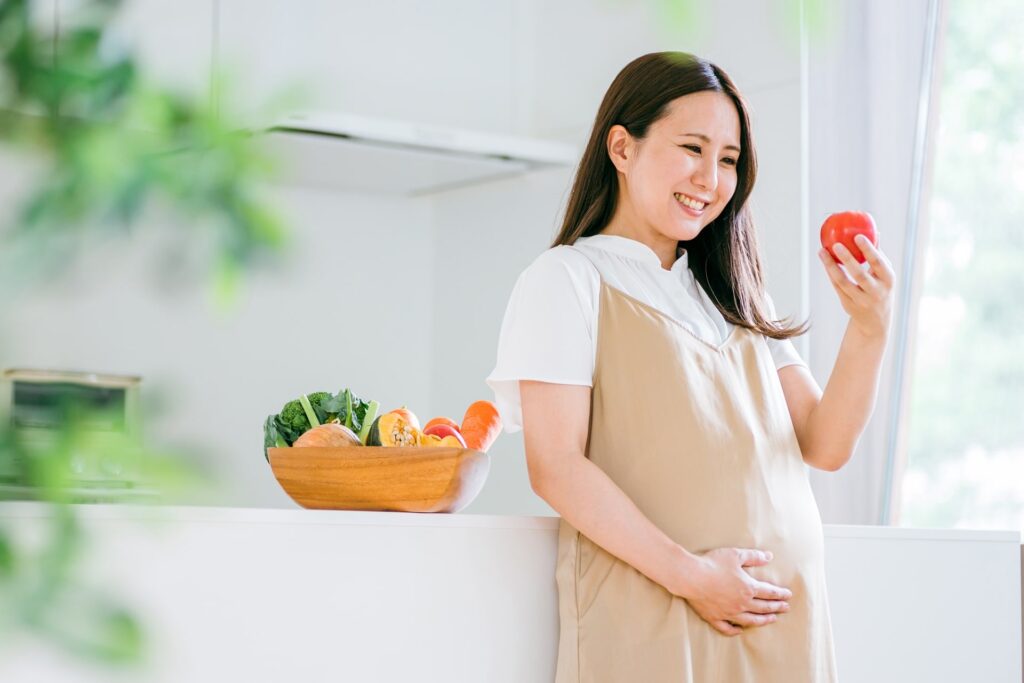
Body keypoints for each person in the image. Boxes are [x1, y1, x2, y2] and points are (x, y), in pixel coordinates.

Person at [485, 52, 895, 682]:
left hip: (784, 627)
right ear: (622, 148)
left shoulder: (735, 296)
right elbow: (556, 467)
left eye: (728, 159)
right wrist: (695, 577)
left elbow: (826, 442)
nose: (710, 177)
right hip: (657, 615)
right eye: (692, 148)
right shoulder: (567, 279)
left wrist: (869, 330)